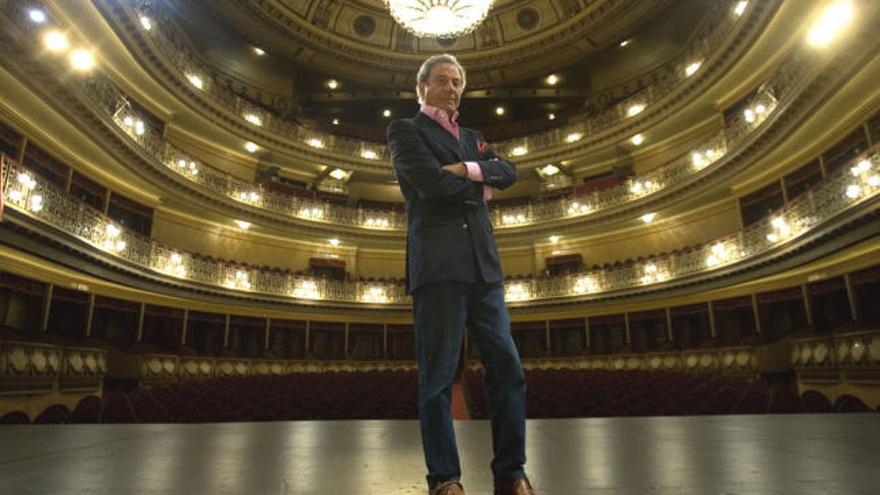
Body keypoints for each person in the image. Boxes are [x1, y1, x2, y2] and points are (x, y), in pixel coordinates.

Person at [387, 54, 535, 495]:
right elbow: (429, 185)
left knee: (507, 371)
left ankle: (511, 473)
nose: (450, 88)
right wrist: (481, 185)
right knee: (437, 379)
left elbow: (510, 172)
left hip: (484, 268)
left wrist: (468, 170)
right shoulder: (405, 130)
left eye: (456, 82)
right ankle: (445, 479)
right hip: (438, 267)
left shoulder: (473, 138)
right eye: (440, 81)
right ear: (422, 88)